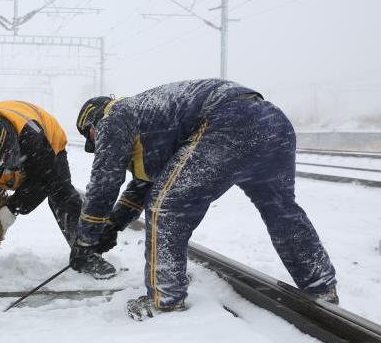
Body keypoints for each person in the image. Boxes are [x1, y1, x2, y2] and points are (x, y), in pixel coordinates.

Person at [72, 79, 338, 320]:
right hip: (271, 121)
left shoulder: (113, 116)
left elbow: (104, 183)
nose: (96, 145)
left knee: (167, 207)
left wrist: (86, 239)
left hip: (228, 121)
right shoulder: (149, 121)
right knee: (281, 209)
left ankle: (166, 300)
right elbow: (142, 186)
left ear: (93, 125)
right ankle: (320, 286)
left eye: (92, 139)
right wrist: (113, 226)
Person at [0, 100, 116, 279]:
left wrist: (13, 207)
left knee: (62, 194)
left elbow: (43, 179)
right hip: (1, 154)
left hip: (48, 147)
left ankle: (86, 254)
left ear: (8, 151)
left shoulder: (33, 139)